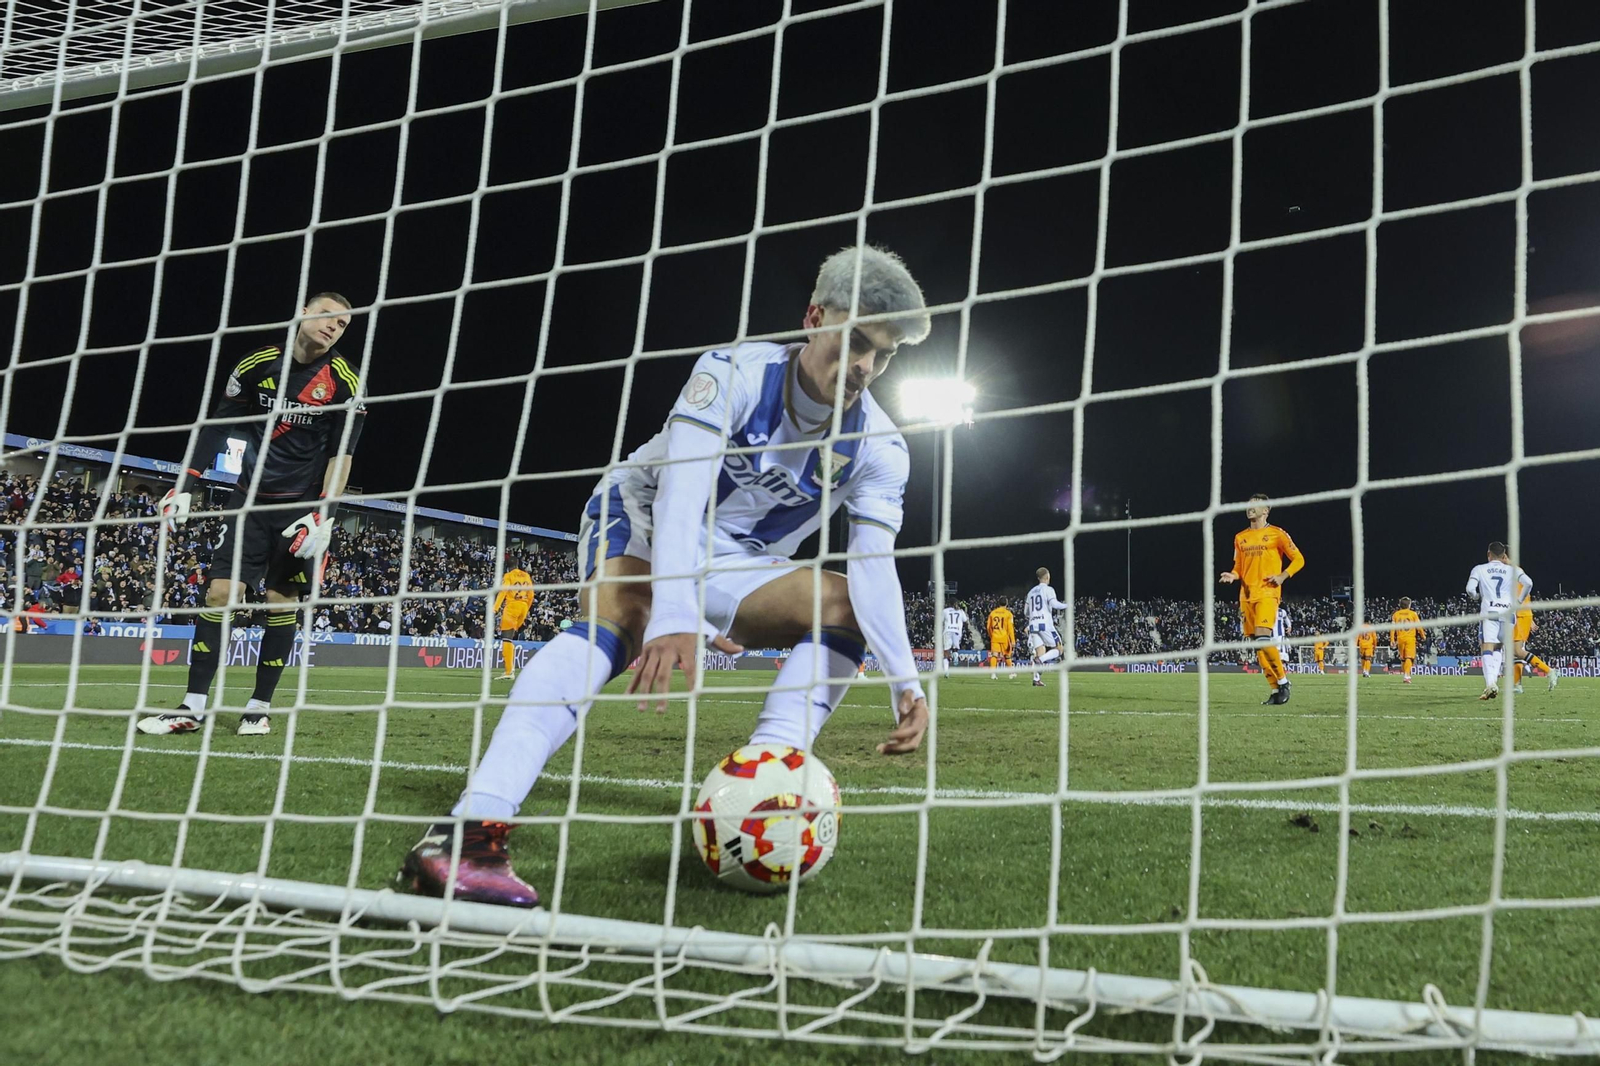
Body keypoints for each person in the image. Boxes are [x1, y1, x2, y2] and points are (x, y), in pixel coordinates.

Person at [399, 246, 933, 907]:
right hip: (647, 507)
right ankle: (468, 833)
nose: (864, 367)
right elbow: (682, 490)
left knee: (844, 605)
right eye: (856, 341)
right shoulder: (733, 372)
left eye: (883, 355)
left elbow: (873, 566)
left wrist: (906, 682)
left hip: (735, 556)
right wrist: (679, 614)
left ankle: (767, 782)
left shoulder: (880, 447)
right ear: (815, 317)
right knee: (625, 618)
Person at [139, 292, 364, 737]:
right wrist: (187, 484)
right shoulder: (257, 363)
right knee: (220, 594)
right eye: (326, 316)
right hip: (246, 501)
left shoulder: (344, 381)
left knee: (281, 603)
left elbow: (344, 454)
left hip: (299, 510)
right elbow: (218, 424)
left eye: (341, 325)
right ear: (303, 312)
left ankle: (258, 708)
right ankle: (193, 707)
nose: (332, 327)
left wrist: (326, 514)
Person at [1219, 494, 1304, 704]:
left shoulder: (1277, 534)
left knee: (1263, 638)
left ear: (1266, 510)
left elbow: (1299, 559)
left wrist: (1283, 576)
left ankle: (1284, 682)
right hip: (1246, 596)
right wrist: (1233, 575)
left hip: (1268, 593)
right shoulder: (1240, 537)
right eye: (1249, 504)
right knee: (1258, 645)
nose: (1250, 508)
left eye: (1255, 505)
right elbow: (1238, 567)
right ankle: (1275, 690)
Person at [1465, 542, 1531, 700]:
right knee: (1499, 647)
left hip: (1490, 612)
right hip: (1508, 613)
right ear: (1504, 556)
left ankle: (1491, 683)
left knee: (1487, 646)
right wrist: (1519, 601)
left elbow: (1469, 589)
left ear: (1489, 554)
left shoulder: (1479, 569)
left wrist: (1476, 597)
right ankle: (1493, 682)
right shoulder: (1512, 569)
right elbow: (1529, 583)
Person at [1024, 568, 1067, 687]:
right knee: (1059, 649)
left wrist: (1034, 615)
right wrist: (1067, 605)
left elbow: (1026, 612)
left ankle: (1036, 679)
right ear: (1047, 577)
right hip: (1045, 624)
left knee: (1040, 651)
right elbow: (1054, 604)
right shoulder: (1048, 589)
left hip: (1033, 625)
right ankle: (1040, 661)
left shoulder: (1031, 592)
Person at [492, 563, 535, 680]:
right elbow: (531, 595)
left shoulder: (508, 576)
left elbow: (503, 592)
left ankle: (508, 671)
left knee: (506, 638)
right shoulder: (526, 576)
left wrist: (495, 608)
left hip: (512, 608)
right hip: (524, 607)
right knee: (509, 638)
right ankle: (511, 668)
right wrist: (526, 608)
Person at [1511, 592, 1559, 693]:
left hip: (1519, 616)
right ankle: (1517, 685)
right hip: (1521, 615)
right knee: (1515, 652)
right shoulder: (1519, 578)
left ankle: (1549, 671)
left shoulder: (1513, 578)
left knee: (1517, 650)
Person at [1390, 597, 1424, 684]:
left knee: (1403, 659)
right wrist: (1423, 636)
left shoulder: (1395, 614)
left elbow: (1392, 628)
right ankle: (1407, 676)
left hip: (1400, 638)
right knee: (1409, 657)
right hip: (1410, 638)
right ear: (1409, 605)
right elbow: (1419, 626)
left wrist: (1392, 639)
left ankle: (1405, 674)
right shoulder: (1413, 614)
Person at [986, 596, 1016, 680]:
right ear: (1006, 604)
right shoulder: (1008, 614)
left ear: (998, 603)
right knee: (1007, 656)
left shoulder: (993, 613)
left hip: (995, 637)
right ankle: (1011, 673)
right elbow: (1010, 628)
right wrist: (1012, 640)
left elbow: (988, 627)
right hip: (1005, 638)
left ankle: (993, 674)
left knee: (994, 655)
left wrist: (992, 635)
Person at [939, 601, 969, 676]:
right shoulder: (960, 611)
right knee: (955, 648)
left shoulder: (945, 611)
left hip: (948, 631)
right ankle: (955, 654)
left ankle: (946, 671)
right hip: (957, 631)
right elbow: (965, 620)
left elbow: (940, 621)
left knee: (946, 651)